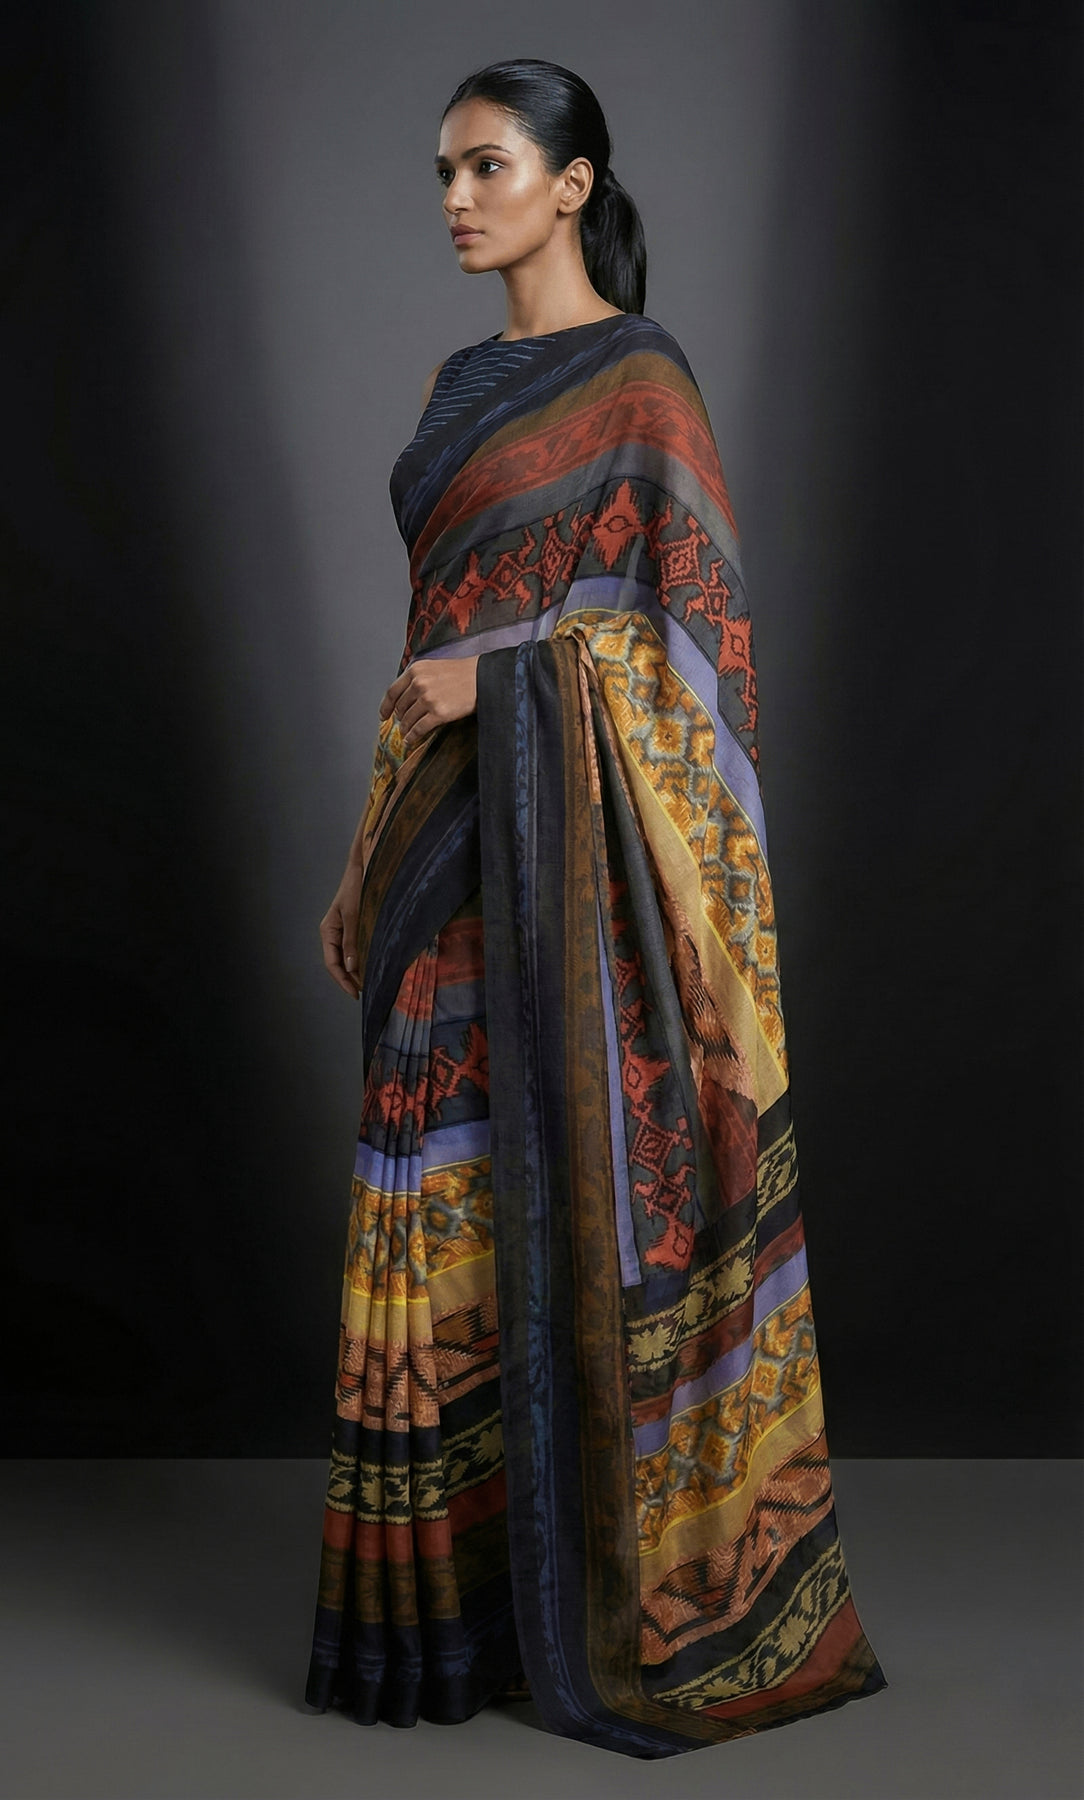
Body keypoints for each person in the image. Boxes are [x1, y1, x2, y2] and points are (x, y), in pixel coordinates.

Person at [304, 56, 886, 1761]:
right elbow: (420, 650)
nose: (454, 200)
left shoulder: (642, 381)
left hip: (576, 853)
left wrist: (506, 682)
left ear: (571, 184)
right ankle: (444, 1621)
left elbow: (693, 657)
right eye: (442, 171)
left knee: (576, 1179)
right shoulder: (457, 381)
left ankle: (612, 1594)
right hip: (439, 843)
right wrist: (360, 851)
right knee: (437, 1200)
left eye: (487, 166)